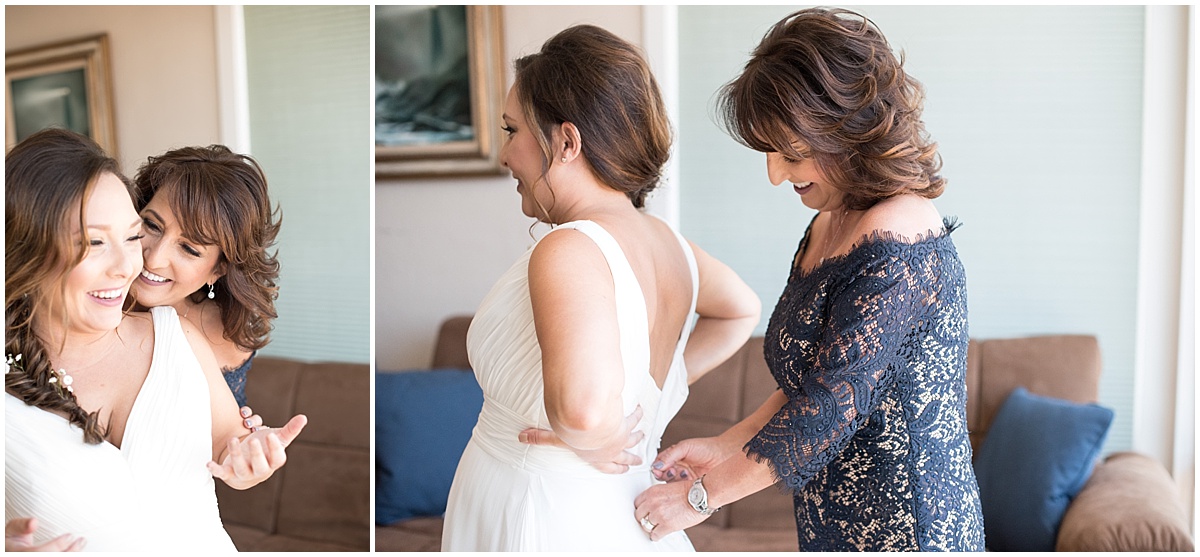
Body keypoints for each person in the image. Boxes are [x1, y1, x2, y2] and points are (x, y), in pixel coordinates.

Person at [632, 8, 985, 551]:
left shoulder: (900, 241)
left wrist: (700, 498)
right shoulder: (829, 222)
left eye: (791, 154)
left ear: (850, 131)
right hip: (832, 523)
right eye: (768, 152)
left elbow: (825, 409)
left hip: (910, 530)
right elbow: (809, 383)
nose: (776, 174)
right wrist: (726, 446)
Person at [439, 25, 760, 551]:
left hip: (543, 512)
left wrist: (596, 431)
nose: (505, 155)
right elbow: (741, 309)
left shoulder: (569, 247)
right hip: (618, 511)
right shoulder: (668, 243)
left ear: (567, 142)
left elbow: (584, 411)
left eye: (512, 130)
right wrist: (648, 397)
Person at [4, 128, 306, 551]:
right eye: (144, 229)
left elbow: (229, 444)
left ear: (218, 270)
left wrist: (249, 454)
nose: (143, 259)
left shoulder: (187, 336)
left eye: (190, 248)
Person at [130, 145, 282, 409]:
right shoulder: (82, 303)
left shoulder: (224, 334)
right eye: (152, 225)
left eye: (189, 249)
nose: (154, 259)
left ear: (219, 269)